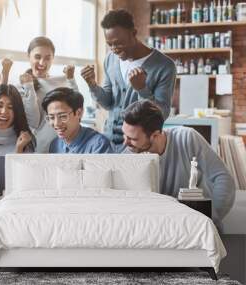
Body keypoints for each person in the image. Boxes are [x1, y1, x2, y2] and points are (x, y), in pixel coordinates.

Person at [121, 99, 235, 228]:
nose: (125, 142)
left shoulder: (186, 138)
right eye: (124, 135)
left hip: (196, 223)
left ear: (155, 135)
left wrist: (211, 218)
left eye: (132, 139)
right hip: (158, 226)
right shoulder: (128, 155)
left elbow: (223, 178)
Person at [81, 9, 176, 153]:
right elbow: (108, 103)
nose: (114, 49)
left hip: (138, 146)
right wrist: (92, 84)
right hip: (108, 143)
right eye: (109, 44)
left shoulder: (164, 66)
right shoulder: (110, 59)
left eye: (118, 43)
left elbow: (161, 114)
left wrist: (142, 89)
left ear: (134, 33)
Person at [18, 36, 79, 153]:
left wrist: (71, 79)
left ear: (52, 59)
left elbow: (77, 107)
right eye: (37, 57)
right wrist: (29, 86)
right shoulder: (22, 84)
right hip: (38, 148)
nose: (42, 62)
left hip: (64, 146)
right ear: (28, 56)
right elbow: (34, 122)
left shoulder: (61, 80)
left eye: (47, 58)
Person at [42, 87, 112, 154]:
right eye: (51, 117)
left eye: (63, 116)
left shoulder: (98, 145)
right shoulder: (55, 145)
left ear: (79, 113)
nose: (56, 123)